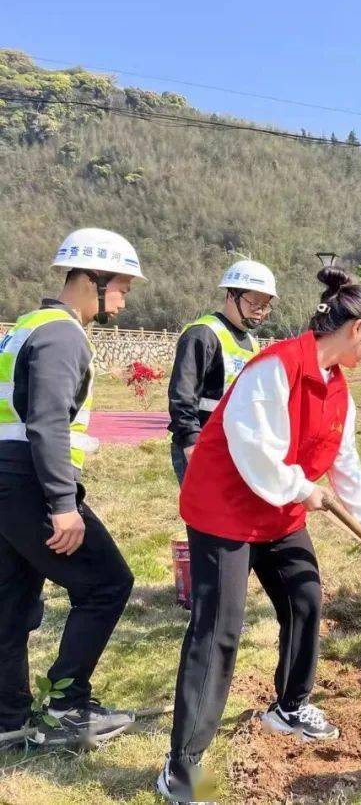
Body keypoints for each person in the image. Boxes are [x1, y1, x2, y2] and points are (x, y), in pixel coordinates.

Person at [157, 266, 361, 802]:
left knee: (306, 597)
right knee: (219, 629)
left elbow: (345, 462)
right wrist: (297, 486)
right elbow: (253, 448)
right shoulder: (275, 368)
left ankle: (289, 706)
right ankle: (182, 766)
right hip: (226, 511)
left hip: (279, 514)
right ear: (356, 329)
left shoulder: (338, 390)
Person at [0, 228, 146, 750]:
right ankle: (65, 708)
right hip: (30, 483)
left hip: (7, 478)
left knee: (11, 602)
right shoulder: (63, 334)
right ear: (94, 278)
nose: (124, 299)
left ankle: (9, 717)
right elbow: (47, 424)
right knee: (107, 583)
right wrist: (63, 505)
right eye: (121, 288)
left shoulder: (26, 326)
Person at [167, 260, 277, 483]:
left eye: (265, 305)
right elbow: (182, 395)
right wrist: (190, 442)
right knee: (204, 517)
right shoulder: (203, 334)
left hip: (235, 446)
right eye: (253, 302)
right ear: (231, 296)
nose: (259, 311)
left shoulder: (251, 343)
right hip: (201, 446)